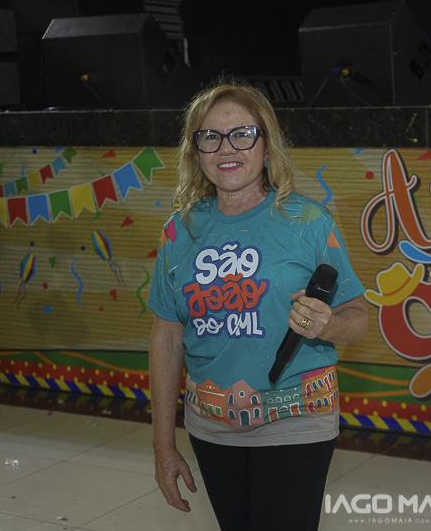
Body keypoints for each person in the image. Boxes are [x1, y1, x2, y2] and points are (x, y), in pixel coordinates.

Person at [147, 80, 369, 531]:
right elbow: (167, 339)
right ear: (195, 151)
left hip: (296, 421)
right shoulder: (179, 231)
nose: (226, 148)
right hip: (211, 426)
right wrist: (163, 446)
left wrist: (327, 325)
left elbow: (360, 318)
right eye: (210, 136)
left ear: (267, 146)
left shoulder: (308, 221)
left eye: (242, 134)